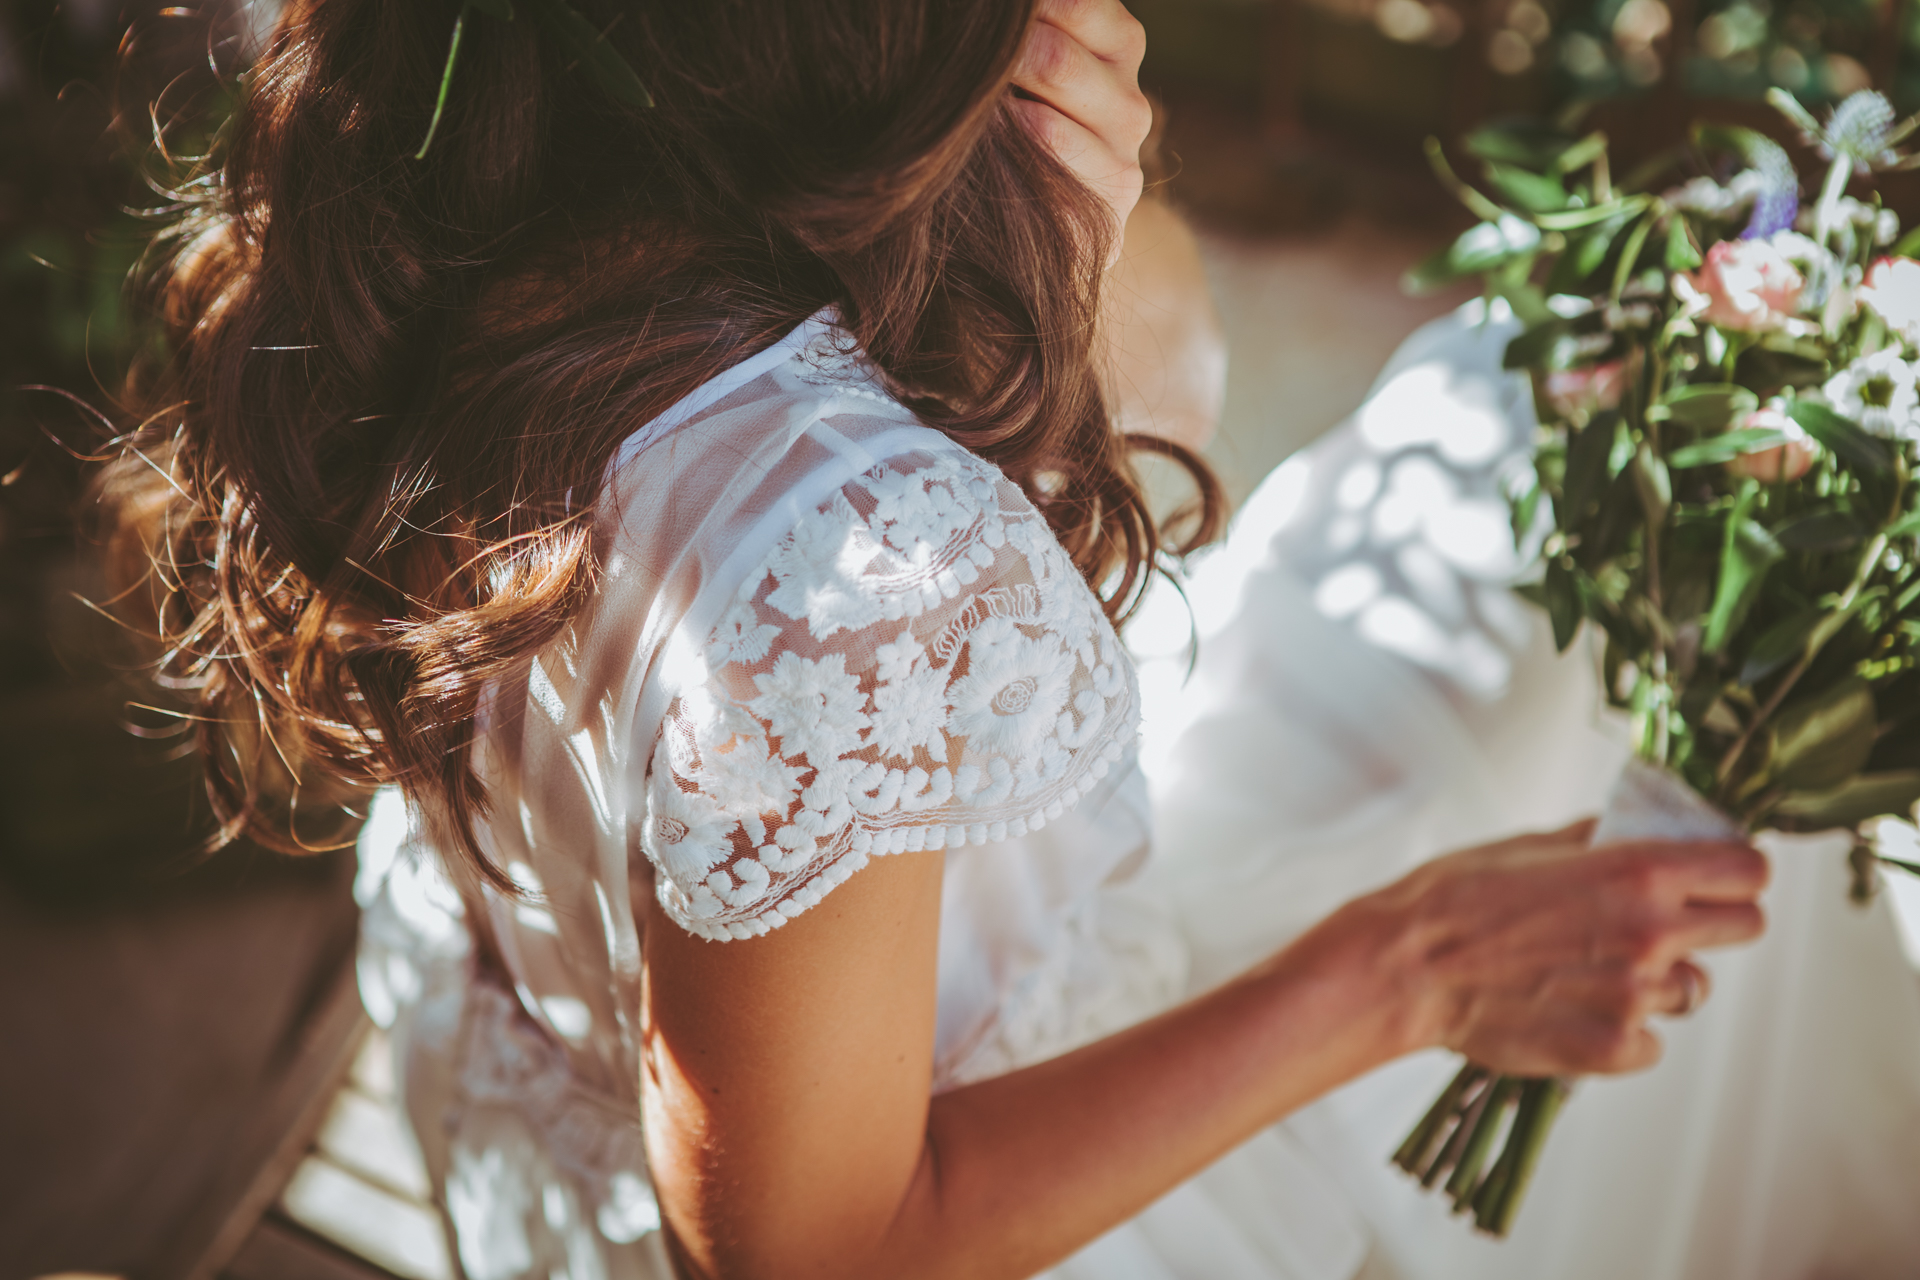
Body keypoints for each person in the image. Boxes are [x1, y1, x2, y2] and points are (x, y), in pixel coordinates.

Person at [102, 2, 1768, 1277]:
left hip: (620, 1021)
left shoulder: (451, 146)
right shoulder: (854, 573)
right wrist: (1413, 965)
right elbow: (819, 1248)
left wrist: (1049, 228)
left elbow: (1154, 370)